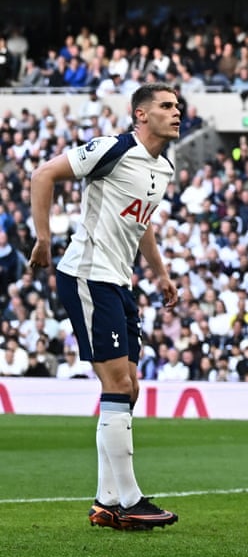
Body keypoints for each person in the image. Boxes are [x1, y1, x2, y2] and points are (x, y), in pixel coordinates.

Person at [30, 81, 182, 531]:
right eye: (166, 106)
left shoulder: (163, 168)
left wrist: (160, 272)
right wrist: (43, 238)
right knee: (117, 382)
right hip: (87, 274)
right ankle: (130, 500)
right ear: (141, 115)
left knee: (130, 388)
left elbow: (142, 222)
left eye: (178, 106)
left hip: (119, 281)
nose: (177, 112)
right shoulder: (112, 149)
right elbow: (43, 174)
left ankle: (106, 502)